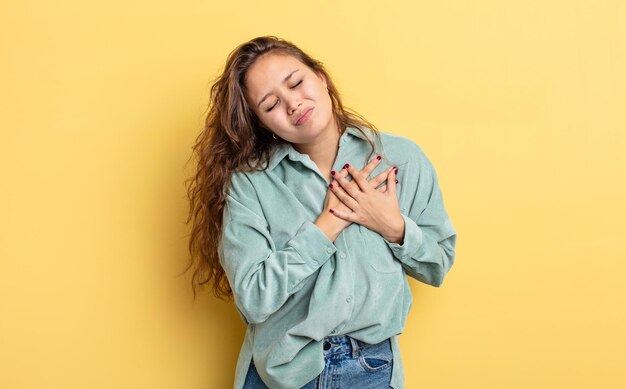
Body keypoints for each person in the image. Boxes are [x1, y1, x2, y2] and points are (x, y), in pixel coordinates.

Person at [184, 36, 457, 389]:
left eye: (296, 83)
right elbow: (252, 299)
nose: (293, 103)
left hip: (371, 370)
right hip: (280, 373)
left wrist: (391, 225)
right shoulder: (250, 183)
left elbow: (438, 264)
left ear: (321, 78)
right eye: (270, 105)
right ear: (262, 124)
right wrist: (327, 225)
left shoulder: (401, 159)